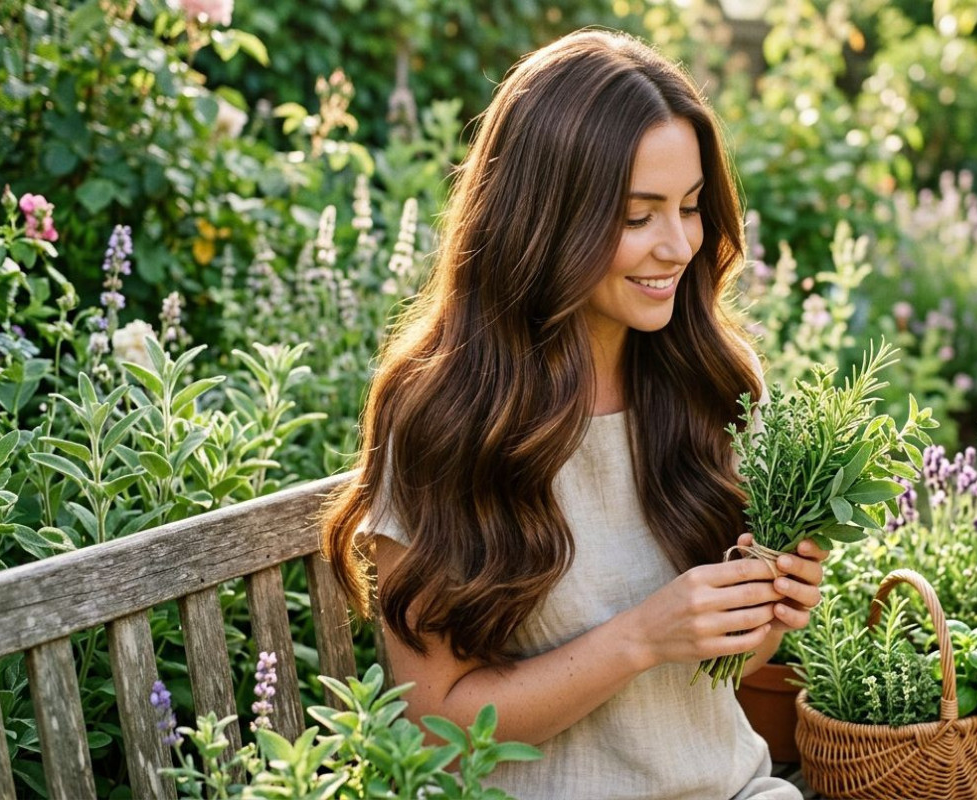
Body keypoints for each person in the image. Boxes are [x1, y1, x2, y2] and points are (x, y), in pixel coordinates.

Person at [321, 29, 827, 800]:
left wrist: (770, 614)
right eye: (636, 216)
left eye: (691, 208)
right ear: (545, 220)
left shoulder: (710, 384)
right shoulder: (443, 420)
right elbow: (438, 732)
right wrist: (641, 638)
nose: (679, 244)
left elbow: (721, 673)